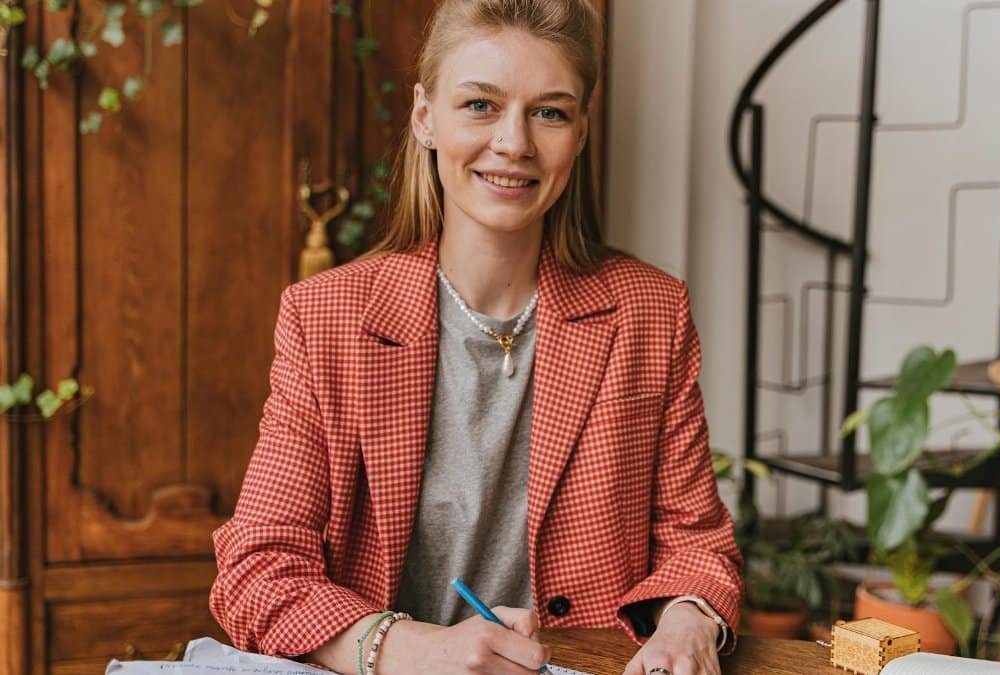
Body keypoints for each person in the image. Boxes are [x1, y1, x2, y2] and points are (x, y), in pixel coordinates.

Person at [208, 1, 742, 673]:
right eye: (481, 105)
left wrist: (690, 619)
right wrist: (414, 648)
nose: (515, 143)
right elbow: (256, 569)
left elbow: (699, 546)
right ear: (426, 116)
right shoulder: (327, 318)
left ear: (579, 132)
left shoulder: (650, 313)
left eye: (550, 112)